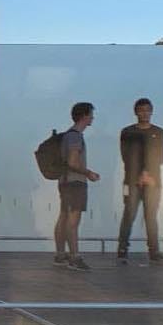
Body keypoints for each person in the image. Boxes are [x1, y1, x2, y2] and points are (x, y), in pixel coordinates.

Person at [117, 98, 163, 265]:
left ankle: (154, 252)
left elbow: (160, 157)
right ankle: (122, 250)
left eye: (147, 110)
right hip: (131, 182)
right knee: (129, 214)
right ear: (136, 112)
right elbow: (126, 157)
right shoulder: (127, 132)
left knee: (151, 217)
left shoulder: (159, 132)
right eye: (141, 110)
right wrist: (139, 174)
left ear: (152, 111)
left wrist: (147, 174)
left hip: (153, 181)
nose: (144, 113)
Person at [54, 102, 100, 272]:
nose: (93, 118)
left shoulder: (68, 135)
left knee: (64, 217)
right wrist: (89, 173)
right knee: (73, 221)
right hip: (75, 183)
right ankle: (74, 258)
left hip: (64, 181)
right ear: (84, 116)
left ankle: (60, 255)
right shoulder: (75, 137)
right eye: (91, 114)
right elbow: (73, 162)